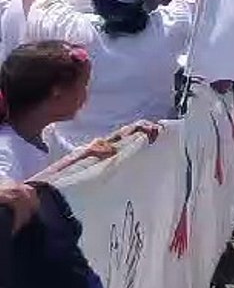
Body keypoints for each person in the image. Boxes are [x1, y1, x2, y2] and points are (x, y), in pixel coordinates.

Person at [0, 41, 158, 183]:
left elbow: (80, 163)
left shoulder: (46, 134)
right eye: (83, 85)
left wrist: (122, 137)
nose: (86, 93)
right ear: (57, 93)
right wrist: (82, 156)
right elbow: (9, 202)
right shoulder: (6, 153)